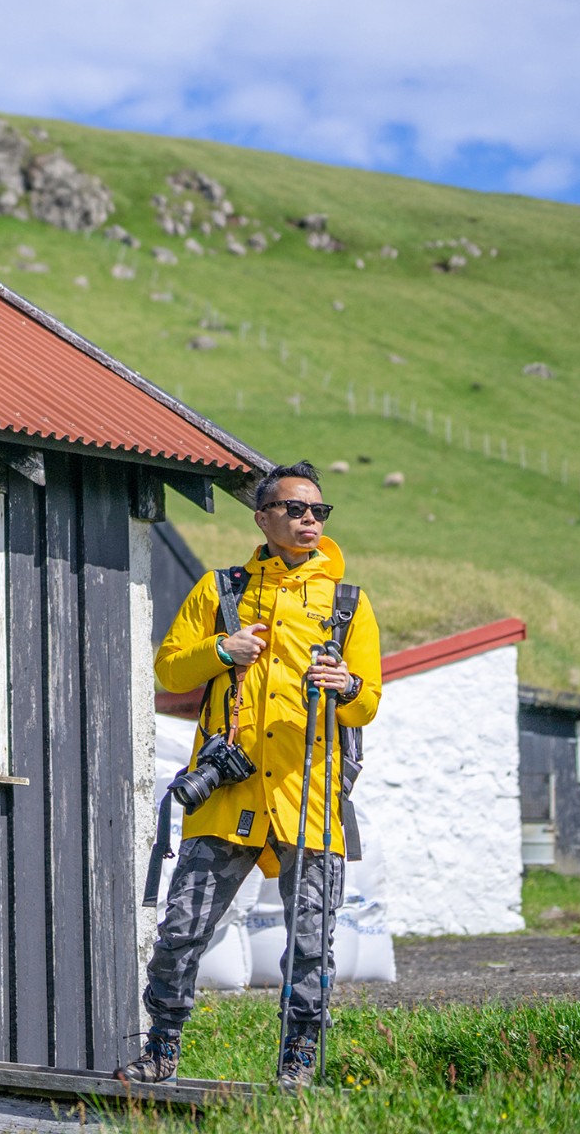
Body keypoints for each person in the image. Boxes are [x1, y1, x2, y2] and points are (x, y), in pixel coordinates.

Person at [114, 461, 382, 1090]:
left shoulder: (350, 603)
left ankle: (298, 1066)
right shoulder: (221, 590)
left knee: (312, 945)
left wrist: (346, 685)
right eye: (295, 509)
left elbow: (367, 702)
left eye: (318, 510)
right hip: (227, 792)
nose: (309, 519)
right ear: (262, 518)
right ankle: (160, 1053)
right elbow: (170, 670)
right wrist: (222, 651)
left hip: (309, 799)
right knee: (181, 931)